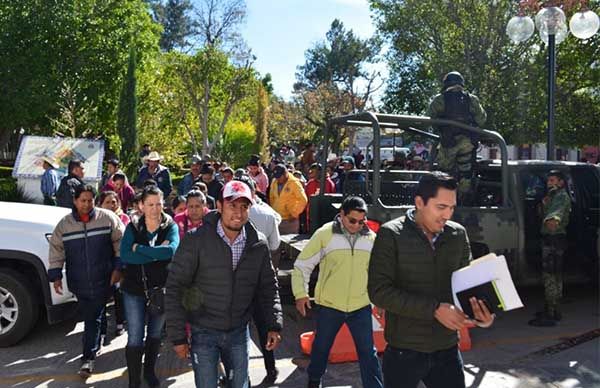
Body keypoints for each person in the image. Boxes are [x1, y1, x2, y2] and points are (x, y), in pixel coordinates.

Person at [368, 172, 494, 388]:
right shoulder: (391, 235)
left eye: (452, 208)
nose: (448, 215)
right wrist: (434, 309)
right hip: (403, 351)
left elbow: (467, 285)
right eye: (441, 207)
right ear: (419, 202)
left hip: (447, 350)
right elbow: (379, 292)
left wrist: (482, 315)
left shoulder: (457, 235)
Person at [165, 180, 283, 388]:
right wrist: (178, 337)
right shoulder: (196, 240)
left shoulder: (258, 244)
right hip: (203, 331)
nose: (238, 212)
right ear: (219, 206)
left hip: (238, 330)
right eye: (232, 205)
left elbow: (268, 287)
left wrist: (274, 325)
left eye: (244, 206)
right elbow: (175, 287)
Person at [292, 196, 383, 388]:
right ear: (341, 214)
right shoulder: (324, 234)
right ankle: (314, 381)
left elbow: (377, 274)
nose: (357, 225)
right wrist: (300, 293)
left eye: (361, 221)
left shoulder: (371, 239)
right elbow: (302, 265)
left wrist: (380, 301)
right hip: (329, 307)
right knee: (321, 349)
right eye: (352, 220)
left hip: (361, 307)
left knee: (368, 353)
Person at [48, 185, 124, 378]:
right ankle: (99, 339)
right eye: (83, 200)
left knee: (92, 318)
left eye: (90, 200)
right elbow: (56, 249)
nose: (86, 204)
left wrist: (118, 267)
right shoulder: (64, 225)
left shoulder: (107, 218)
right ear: (75, 201)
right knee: (94, 316)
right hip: (78, 281)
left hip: (104, 278)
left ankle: (87, 359)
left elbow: (120, 241)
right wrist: (56, 275)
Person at [120, 186, 180, 388]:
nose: (155, 209)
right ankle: (134, 381)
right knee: (135, 336)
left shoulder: (170, 225)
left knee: (154, 334)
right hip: (134, 289)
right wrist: (156, 251)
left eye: (158, 204)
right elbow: (126, 255)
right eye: (150, 204)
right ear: (141, 206)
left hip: (160, 289)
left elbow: (171, 251)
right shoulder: (133, 226)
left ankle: (149, 372)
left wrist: (141, 249)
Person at [234, 175, 282, 384]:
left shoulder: (225, 217)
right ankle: (271, 370)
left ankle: (237, 376)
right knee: (264, 330)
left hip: (237, 286)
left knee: (236, 333)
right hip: (260, 282)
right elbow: (275, 247)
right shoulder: (268, 215)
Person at [427, 71, 486, 203]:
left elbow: (430, 119)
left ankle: (442, 200)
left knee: (443, 173)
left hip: (448, 143)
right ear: (461, 84)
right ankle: (463, 199)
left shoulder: (439, 99)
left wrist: (442, 128)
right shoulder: (472, 99)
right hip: (467, 142)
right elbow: (482, 119)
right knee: (466, 173)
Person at [528, 170, 571, 327]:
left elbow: (553, 221)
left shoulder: (561, 197)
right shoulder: (552, 197)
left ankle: (552, 313)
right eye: (548, 181)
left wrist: (550, 220)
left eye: (553, 180)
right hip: (551, 240)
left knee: (551, 277)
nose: (549, 183)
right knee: (553, 276)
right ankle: (552, 308)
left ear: (561, 183)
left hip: (553, 240)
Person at [97, 191, 129, 341]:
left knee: (119, 294)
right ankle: (101, 330)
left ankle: (120, 323)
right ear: (100, 204)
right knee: (101, 298)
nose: (111, 205)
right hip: (101, 264)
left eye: (114, 202)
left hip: (119, 262)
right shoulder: (96, 220)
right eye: (108, 202)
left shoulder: (124, 219)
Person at [268, 164, 308, 235]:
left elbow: (303, 199)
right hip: (276, 219)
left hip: (289, 221)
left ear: (285, 174)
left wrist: (294, 213)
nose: (277, 179)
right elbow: (272, 197)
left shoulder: (294, 183)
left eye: (279, 177)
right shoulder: (274, 181)